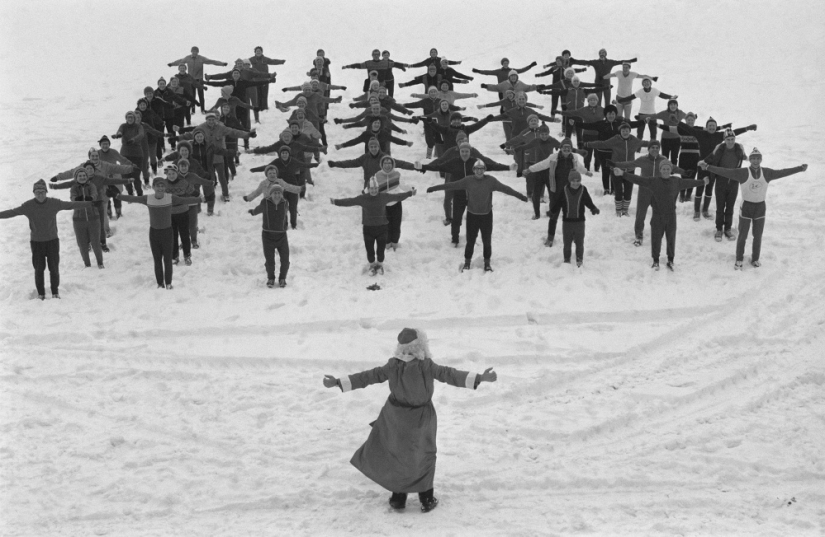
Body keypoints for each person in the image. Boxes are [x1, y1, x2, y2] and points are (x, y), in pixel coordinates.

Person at [322, 327, 496, 512]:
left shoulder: (393, 365)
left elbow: (368, 376)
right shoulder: (425, 365)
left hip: (395, 417)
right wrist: (479, 378)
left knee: (397, 455)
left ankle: (398, 498)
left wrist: (338, 382)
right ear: (421, 346)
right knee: (424, 455)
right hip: (421, 419)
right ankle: (426, 498)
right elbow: (450, 374)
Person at [699, 149, 807, 269]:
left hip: (760, 208)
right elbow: (725, 171)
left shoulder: (767, 172)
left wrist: (799, 168)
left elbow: (782, 172)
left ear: (761, 159)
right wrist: (708, 167)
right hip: (746, 207)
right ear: (750, 160)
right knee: (743, 235)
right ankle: (739, 259)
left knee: (758, 235)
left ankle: (755, 259)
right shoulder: (743, 172)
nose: (756, 161)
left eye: (758, 158)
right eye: (753, 158)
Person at [426, 159, 528, 272]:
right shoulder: (468, 180)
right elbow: (452, 185)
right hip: (472, 216)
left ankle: (487, 263)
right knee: (470, 241)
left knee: (487, 240)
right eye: (477, 169)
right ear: (473, 170)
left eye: (481, 169)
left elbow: (506, 189)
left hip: (486, 216)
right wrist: (434, 188)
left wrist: (520, 196)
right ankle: (467, 262)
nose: (479, 171)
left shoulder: (491, 181)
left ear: (484, 170)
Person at [0, 179, 92, 299]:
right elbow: (13, 212)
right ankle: (41, 294)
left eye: (42, 192)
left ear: (46, 192)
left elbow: (71, 205)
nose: (40, 194)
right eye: (37, 192)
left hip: (52, 241)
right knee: (39, 269)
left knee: (54, 268)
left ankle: (55, 292)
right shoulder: (28, 206)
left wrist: (90, 203)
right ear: (34, 193)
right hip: (36, 243)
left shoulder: (54, 203)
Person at [612, 161, 707, 270]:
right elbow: (638, 179)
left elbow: (690, 183)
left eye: (668, 169)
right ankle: (655, 260)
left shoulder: (676, 181)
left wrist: (702, 182)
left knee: (671, 238)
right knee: (656, 238)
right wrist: (623, 174)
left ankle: (670, 260)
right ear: (660, 170)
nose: (666, 171)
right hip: (657, 215)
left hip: (671, 215)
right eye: (664, 169)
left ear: (671, 170)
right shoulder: (654, 181)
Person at [421, 143, 512, 245]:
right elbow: (438, 166)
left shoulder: (475, 163)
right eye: (462, 151)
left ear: (470, 152)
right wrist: (423, 166)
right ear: (459, 152)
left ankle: (471, 238)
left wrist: (508, 167)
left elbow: (492, 166)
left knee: (473, 220)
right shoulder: (453, 162)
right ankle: (455, 239)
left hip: (473, 197)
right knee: (456, 219)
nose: (464, 154)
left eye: (467, 151)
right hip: (459, 196)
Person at [117, 179, 200, 289]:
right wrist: (118, 196)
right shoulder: (148, 199)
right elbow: (133, 198)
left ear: (165, 188)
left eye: (162, 186)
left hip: (167, 233)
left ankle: (168, 283)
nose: (160, 188)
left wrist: (200, 199)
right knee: (157, 260)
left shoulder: (170, 198)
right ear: (153, 187)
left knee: (168, 259)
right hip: (154, 233)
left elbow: (185, 200)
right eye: (158, 186)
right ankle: (160, 283)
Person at [330, 177, 416, 275]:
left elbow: (398, 197)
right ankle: (372, 266)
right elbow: (350, 201)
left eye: (375, 188)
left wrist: (410, 193)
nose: (374, 190)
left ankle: (379, 265)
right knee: (370, 250)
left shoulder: (384, 197)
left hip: (382, 228)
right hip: (368, 229)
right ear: (368, 189)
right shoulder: (363, 198)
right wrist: (336, 202)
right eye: (371, 188)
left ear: (378, 188)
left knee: (380, 251)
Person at [610, 140, 687, 246]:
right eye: (652, 147)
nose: (655, 149)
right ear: (649, 149)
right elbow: (630, 163)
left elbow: (673, 167)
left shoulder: (663, 160)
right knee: (640, 214)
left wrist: (685, 172)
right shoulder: (643, 159)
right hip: (644, 191)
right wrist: (615, 164)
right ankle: (638, 235)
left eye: (657, 148)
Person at [524, 139, 592, 247]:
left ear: (571, 149)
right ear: (560, 148)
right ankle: (550, 238)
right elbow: (542, 164)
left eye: (568, 148)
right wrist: (530, 169)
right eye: (564, 147)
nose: (566, 149)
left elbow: (579, 167)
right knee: (553, 216)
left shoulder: (574, 158)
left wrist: (586, 172)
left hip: (570, 192)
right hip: (556, 191)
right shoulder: (554, 158)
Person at [584, 122, 649, 216]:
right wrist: (588, 144)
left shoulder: (634, 140)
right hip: (616, 170)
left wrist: (655, 143)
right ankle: (618, 210)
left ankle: (625, 210)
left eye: (627, 131)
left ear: (630, 131)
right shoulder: (615, 140)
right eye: (623, 131)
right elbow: (602, 144)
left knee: (628, 192)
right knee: (618, 191)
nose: (625, 132)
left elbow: (644, 143)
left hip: (629, 170)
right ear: (620, 131)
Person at [49, 167, 105, 269]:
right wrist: (76, 199)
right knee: (82, 244)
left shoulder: (91, 185)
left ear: (87, 177)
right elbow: (72, 197)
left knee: (96, 243)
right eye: (80, 176)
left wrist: (91, 198)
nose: (82, 177)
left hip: (94, 218)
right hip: (79, 220)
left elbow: (94, 194)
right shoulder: (74, 188)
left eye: (84, 175)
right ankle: (87, 265)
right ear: (76, 177)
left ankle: (100, 263)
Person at [699, 129, 749, 242]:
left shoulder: (739, 148)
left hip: (734, 182)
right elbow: (711, 157)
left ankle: (727, 229)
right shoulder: (720, 148)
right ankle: (718, 229)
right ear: (724, 140)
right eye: (728, 139)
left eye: (732, 139)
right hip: (721, 181)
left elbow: (745, 157)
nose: (730, 142)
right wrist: (703, 162)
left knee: (730, 207)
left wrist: (755, 159)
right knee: (720, 207)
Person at [549, 170, 600, 266]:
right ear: (569, 181)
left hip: (579, 222)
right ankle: (566, 259)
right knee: (567, 242)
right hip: (567, 222)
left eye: (578, 181)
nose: (576, 183)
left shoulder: (583, 190)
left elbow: (588, 201)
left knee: (579, 242)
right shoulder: (564, 190)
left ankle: (579, 258)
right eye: (573, 181)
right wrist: (552, 212)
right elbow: (558, 203)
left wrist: (593, 208)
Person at [248, 183, 291, 288]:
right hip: (267, 236)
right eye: (274, 193)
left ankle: (282, 278)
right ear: (270, 194)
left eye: (279, 193)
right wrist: (253, 212)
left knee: (285, 260)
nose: (277, 195)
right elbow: (258, 209)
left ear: (281, 194)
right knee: (270, 261)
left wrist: (285, 226)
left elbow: (285, 215)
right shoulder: (265, 202)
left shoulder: (285, 203)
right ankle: (270, 278)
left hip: (282, 236)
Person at [168, 47, 228, 114]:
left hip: (199, 79)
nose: (194, 53)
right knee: (192, 95)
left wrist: (222, 64)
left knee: (201, 95)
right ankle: (193, 110)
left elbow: (211, 61)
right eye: (193, 51)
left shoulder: (201, 58)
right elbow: (180, 61)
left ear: (198, 52)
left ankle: (202, 109)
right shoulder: (188, 58)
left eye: (196, 51)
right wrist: (172, 64)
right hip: (191, 79)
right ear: (191, 51)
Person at [569, 49, 637, 106]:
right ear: (599, 54)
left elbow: (621, 62)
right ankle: (599, 116)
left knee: (607, 102)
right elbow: (585, 62)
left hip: (607, 84)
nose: (602, 54)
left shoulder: (610, 62)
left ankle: (607, 115)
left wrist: (632, 60)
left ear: (606, 54)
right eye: (600, 53)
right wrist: (575, 61)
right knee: (598, 101)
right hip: (598, 84)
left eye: (603, 53)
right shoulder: (595, 62)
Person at [472, 58, 537, 107]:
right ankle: (504, 116)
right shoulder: (499, 71)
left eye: (506, 63)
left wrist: (530, 66)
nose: (505, 64)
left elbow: (522, 70)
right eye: (504, 63)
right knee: (504, 104)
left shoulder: (512, 71)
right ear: (502, 64)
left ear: (508, 63)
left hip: (513, 90)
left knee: (514, 103)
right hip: (501, 89)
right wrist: (479, 71)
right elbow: (489, 72)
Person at [249, 46, 285, 114]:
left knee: (264, 94)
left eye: (259, 51)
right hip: (255, 80)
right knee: (257, 94)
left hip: (265, 80)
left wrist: (281, 62)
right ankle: (258, 107)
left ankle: (264, 107)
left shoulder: (265, 59)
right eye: (257, 51)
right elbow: (244, 62)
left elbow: (273, 61)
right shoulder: (252, 59)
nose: (258, 52)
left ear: (262, 52)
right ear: (255, 52)